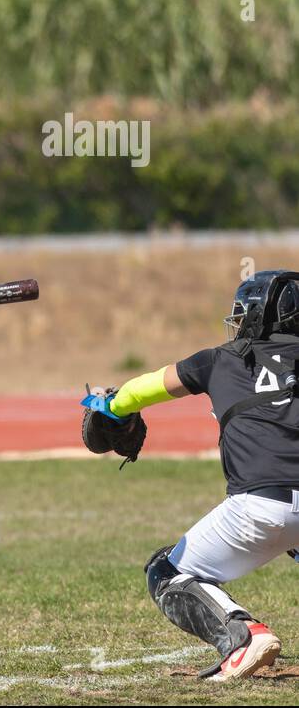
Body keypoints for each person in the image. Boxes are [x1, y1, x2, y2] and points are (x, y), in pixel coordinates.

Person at [80, 269, 299, 680]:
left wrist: (110, 405)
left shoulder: (221, 359)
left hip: (259, 507)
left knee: (166, 571)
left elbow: (145, 388)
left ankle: (242, 635)